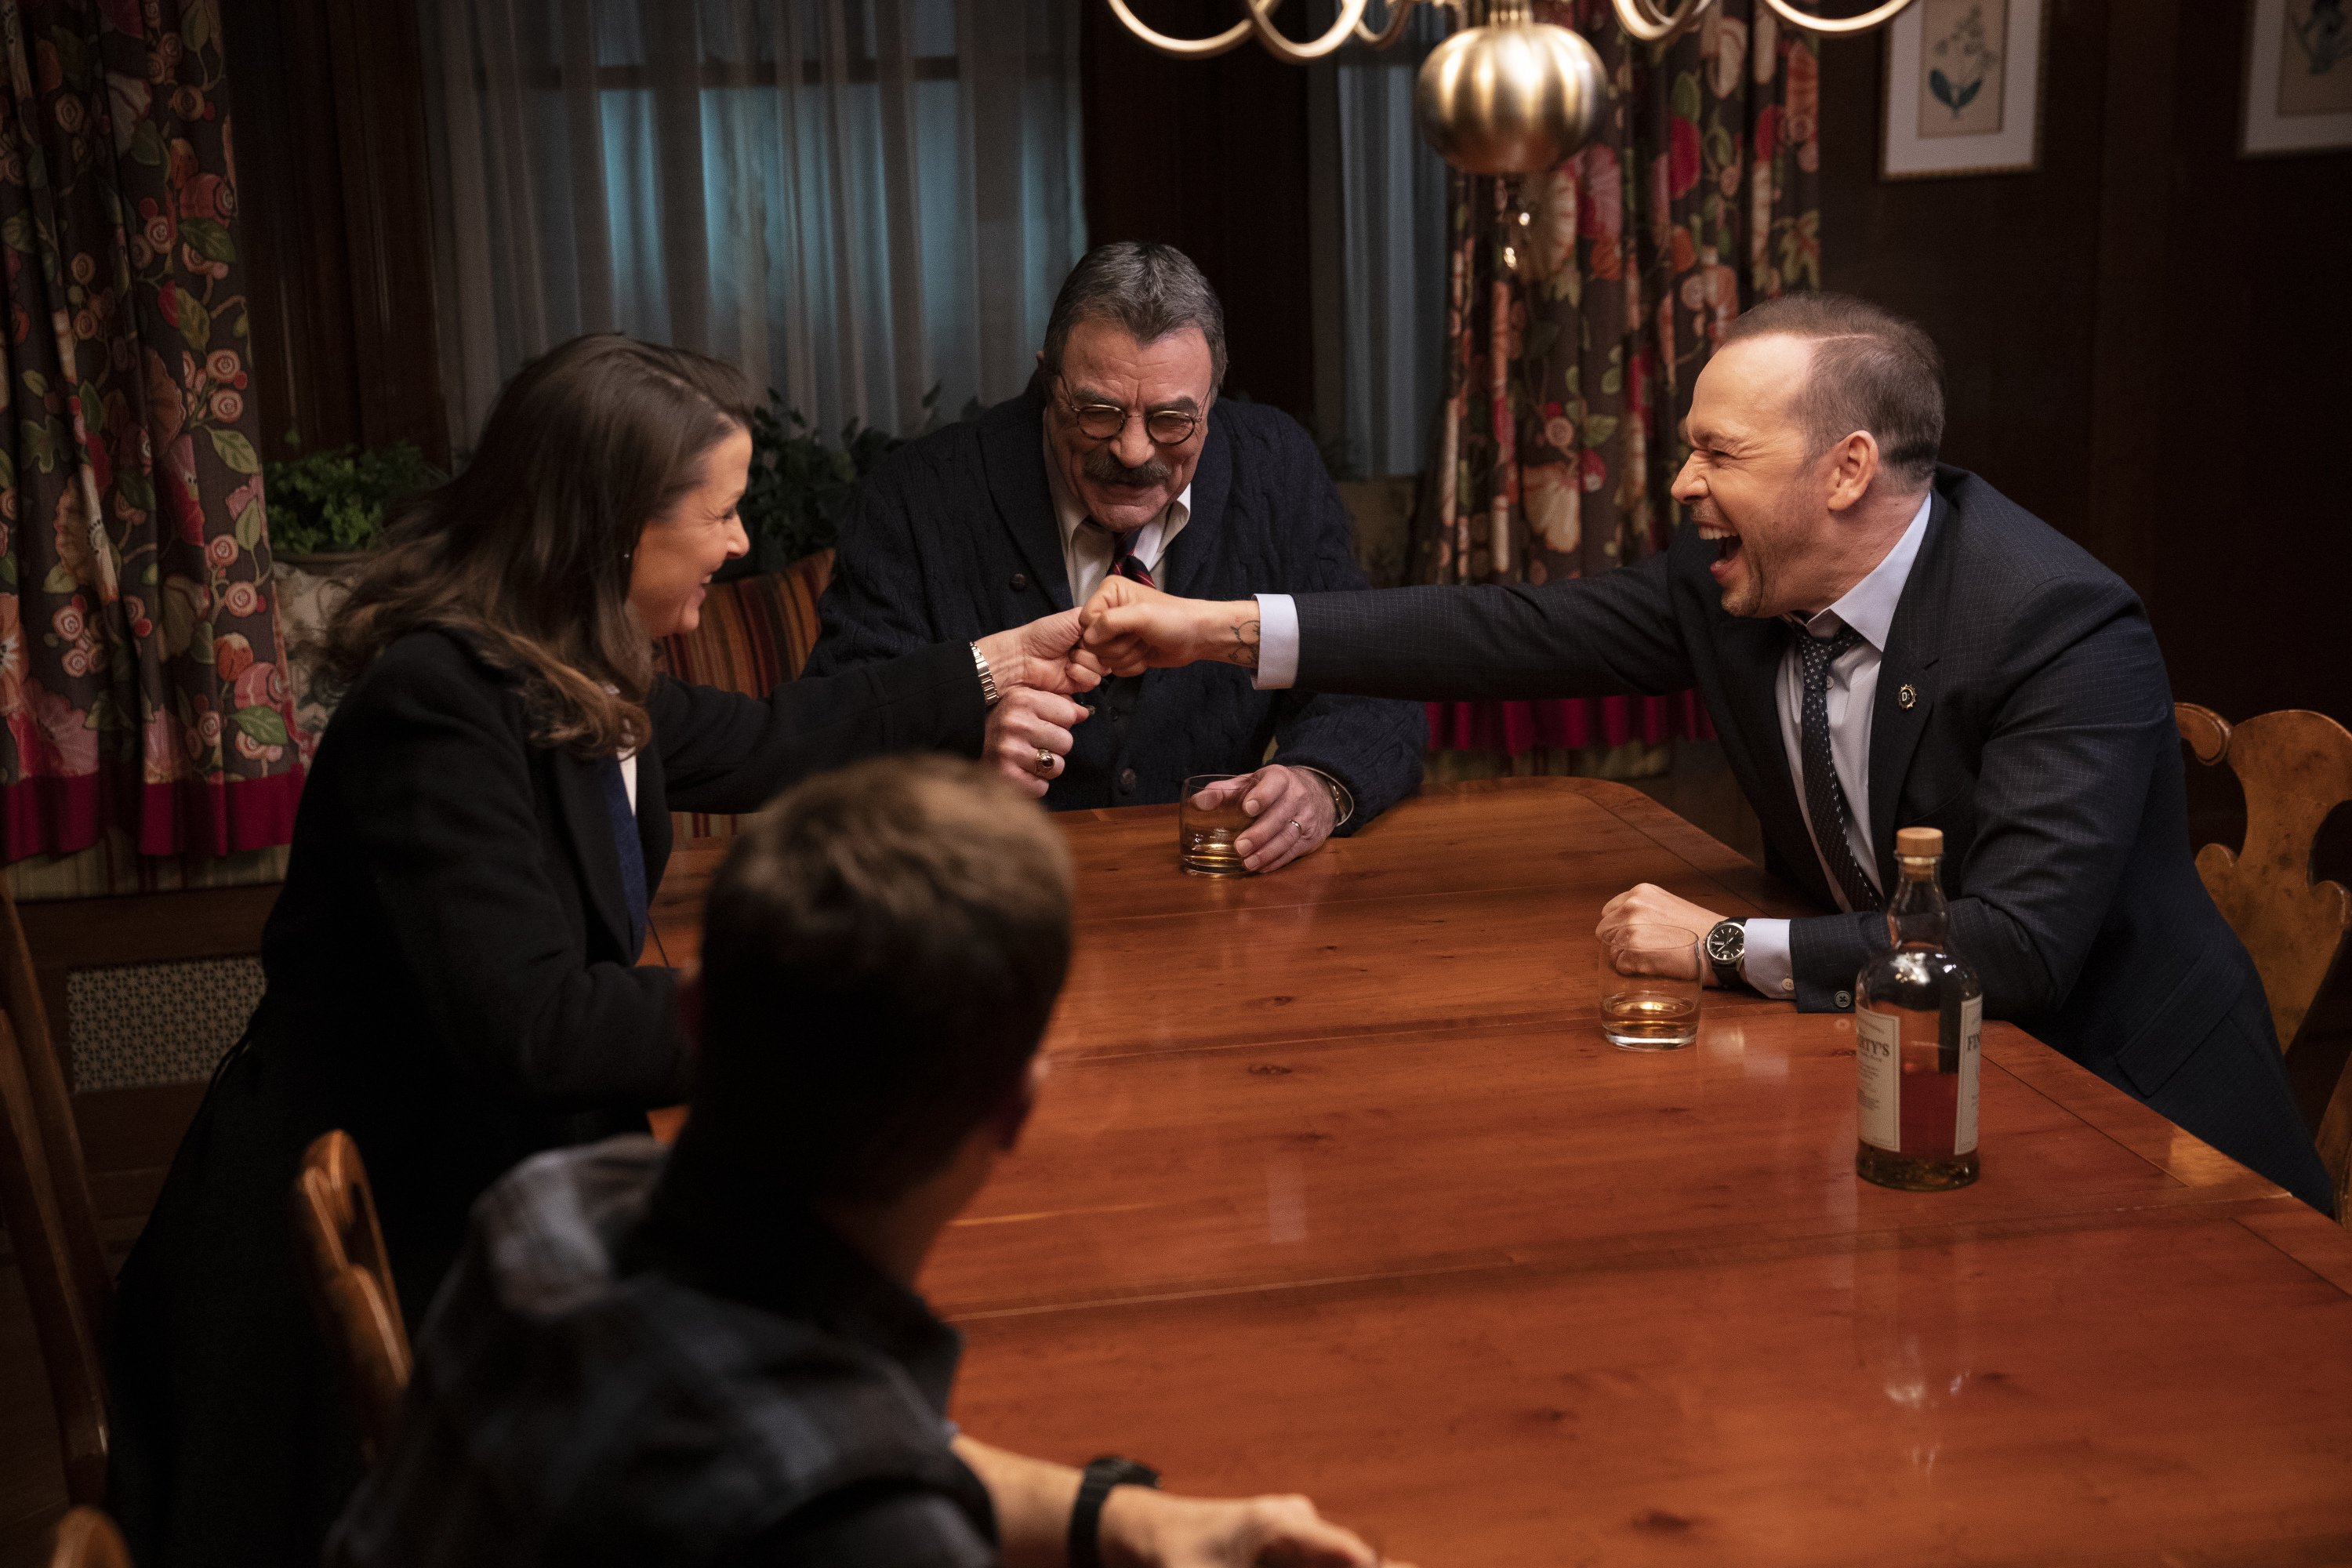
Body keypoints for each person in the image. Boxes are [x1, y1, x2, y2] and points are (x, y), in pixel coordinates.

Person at [106, 336, 1099, 1567]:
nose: (744, 547)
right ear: (609, 527)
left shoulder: (565, 656)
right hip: (371, 1239)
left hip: (475, 1172)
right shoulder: (441, 703)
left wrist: (1003, 664)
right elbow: (537, 1026)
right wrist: (833, 1015)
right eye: (721, 515)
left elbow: (779, 735)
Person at [1077, 292, 2333, 1214]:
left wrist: (1727, 945)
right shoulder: (1736, 586)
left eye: (1717, 453)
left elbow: (2011, 947)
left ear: (1847, 470)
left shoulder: (2057, 625)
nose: (1682, 482)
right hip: (1907, 1093)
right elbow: (1503, 632)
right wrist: (1211, 630)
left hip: (2140, 1132)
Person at [327, 756, 1399, 1568]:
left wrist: (1124, 1518)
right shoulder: (874, 1534)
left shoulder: (546, 1215)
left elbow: (866, 1439)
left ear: (697, 1014)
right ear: (1012, 1112)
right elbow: (838, 1469)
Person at [803, 241, 1422, 875]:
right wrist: (961, 751)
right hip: (980, 903)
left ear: (1211, 402)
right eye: (1097, 413)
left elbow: (1372, 686)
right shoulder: (918, 494)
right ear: (1049, 382)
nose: (1131, 451)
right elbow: (828, 736)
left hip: (1219, 906)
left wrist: (1319, 784)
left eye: (1172, 421)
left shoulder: (1275, 469)